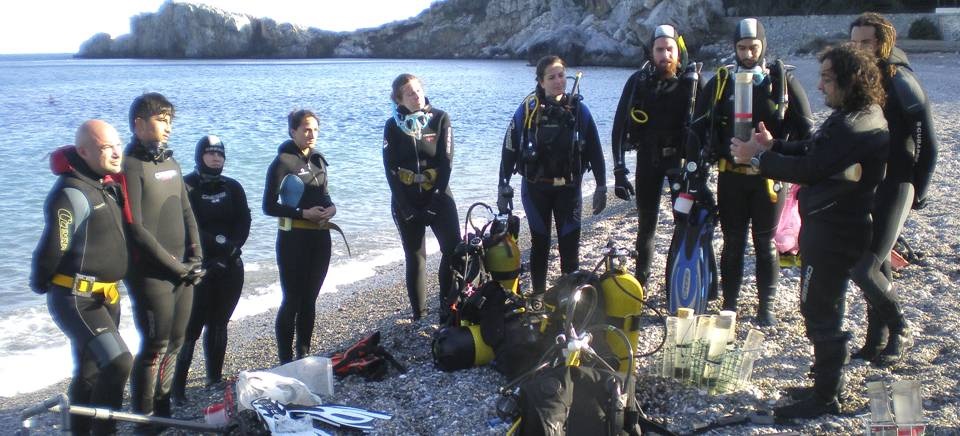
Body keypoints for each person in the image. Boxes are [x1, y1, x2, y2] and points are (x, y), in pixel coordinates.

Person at [731, 43, 888, 419]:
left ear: (851, 81)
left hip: (833, 230)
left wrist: (756, 157)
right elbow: (818, 148)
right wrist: (776, 144)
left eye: (827, 79)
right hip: (834, 224)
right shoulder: (860, 115)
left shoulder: (854, 125)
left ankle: (825, 396)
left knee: (819, 307)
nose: (820, 87)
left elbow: (811, 169)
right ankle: (825, 383)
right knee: (822, 305)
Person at [694, 18, 813, 326]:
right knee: (733, 243)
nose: (747, 54)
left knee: (765, 244)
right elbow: (696, 127)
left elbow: (807, 132)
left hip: (769, 179)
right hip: (730, 175)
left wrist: (792, 163)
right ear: (734, 48)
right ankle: (730, 305)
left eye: (753, 48)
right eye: (742, 48)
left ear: (763, 47)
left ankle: (766, 308)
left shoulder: (781, 82)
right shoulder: (722, 82)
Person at [848, 12, 938, 367]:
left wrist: (921, 187)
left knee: (864, 266)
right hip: (868, 184)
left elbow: (928, 141)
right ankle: (876, 338)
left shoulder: (901, 80)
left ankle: (899, 329)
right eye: (854, 42)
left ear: (883, 43)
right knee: (878, 263)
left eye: (865, 42)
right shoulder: (858, 80)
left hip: (898, 183)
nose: (858, 48)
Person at [31, 120, 132, 435]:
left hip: (105, 296)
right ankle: (105, 432)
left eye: (118, 144)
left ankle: (79, 430)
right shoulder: (72, 192)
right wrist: (40, 281)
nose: (116, 152)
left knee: (90, 371)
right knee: (118, 361)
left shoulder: (104, 183)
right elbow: (52, 248)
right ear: (84, 151)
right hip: (76, 297)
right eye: (106, 148)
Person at [123, 92, 204, 426]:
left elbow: (186, 209)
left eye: (170, 120)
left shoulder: (171, 162)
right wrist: (176, 266)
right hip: (151, 273)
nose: (167, 127)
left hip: (183, 269)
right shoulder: (130, 165)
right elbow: (136, 228)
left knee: (177, 341)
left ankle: (164, 410)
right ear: (139, 124)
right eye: (160, 120)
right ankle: (145, 421)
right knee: (155, 345)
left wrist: (196, 254)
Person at [498, 55, 607, 295]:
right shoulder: (527, 111)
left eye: (561, 76)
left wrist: (601, 186)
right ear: (540, 81)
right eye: (551, 77)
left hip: (569, 189)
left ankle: (569, 300)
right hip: (536, 189)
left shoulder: (580, 111)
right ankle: (538, 296)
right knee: (540, 244)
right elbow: (509, 148)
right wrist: (502, 187)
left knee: (570, 246)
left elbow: (595, 151)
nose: (558, 81)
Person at [610, 24, 701, 286]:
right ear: (651, 52)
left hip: (679, 163)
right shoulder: (638, 82)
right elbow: (618, 128)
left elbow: (710, 127)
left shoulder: (692, 83)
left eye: (669, 49)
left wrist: (700, 167)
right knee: (646, 226)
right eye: (659, 50)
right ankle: (642, 284)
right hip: (647, 160)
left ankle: (676, 282)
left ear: (678, 51)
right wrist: (618, 171)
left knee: (682, 223)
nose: (665, 55)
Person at [172, 135, 250, 403]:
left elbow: (244, 221)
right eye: (210, 152)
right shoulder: (188, 187)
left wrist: (229, 252)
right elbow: (187, 225)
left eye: (220, 153)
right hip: (199, 267)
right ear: (199, 155)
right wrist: (215, 250)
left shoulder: (233, 187)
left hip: (229, 265)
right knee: (190, 329)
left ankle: (213, 379)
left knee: (219, 325)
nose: (216, 157)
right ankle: (177, 388)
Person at [383, 74, 461, 322]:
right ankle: (420, 315)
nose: (416, 96)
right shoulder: (392, 126)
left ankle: (446, 307)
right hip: (406, 199)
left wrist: (435, 202)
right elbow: (390, 170)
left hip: (438, 194)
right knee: (416, 256)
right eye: (409, 94)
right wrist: (405, 207)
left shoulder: (440, 119)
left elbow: (446, 163)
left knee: (453, 249)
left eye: (418, 90)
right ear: (399, 99)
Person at [263, 110, 336, 364]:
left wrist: (332, 208)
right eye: (306, 129)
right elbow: (268, 206)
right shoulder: (282, 162)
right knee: (292, 299)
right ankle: (285, 360)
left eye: (315, 129)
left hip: (320, 238)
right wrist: (302, 213)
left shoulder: (318, 160)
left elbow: (324, 196)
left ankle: (303, 353)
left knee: (310, 299)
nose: (311, 134)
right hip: (293, 240)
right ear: (292, 131)